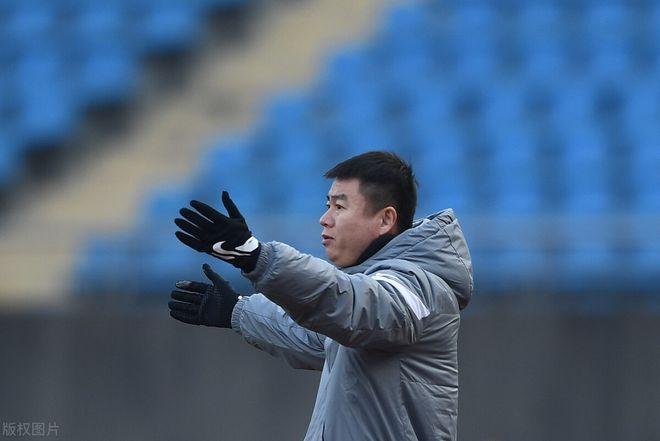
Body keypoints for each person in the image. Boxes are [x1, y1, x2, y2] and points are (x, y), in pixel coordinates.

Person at [169, 151, 473, 440]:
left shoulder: (419, 287)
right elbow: (315, 337)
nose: (325, 218)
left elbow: (358, 308)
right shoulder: (371, 290)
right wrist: (238, 310)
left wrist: (256, 257)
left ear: (385, 220)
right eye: (327, 205)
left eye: (339, 207)